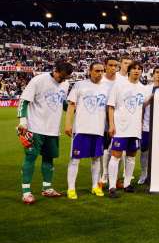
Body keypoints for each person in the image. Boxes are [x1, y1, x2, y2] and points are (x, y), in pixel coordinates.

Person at [16, 60, 73, 204]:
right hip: (35, 128)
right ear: (56, 70)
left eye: (66, 78)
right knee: (30, 158)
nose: (63, 80)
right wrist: (23, 122)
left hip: (52, 129)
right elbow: (23, 101)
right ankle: (26, 192)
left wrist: (76, 109)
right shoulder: (39, 80)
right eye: (61, 77)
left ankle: (47, 188)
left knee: (49, 158)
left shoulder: (65, 84)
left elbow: (63, 103)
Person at [63, 62, 108, 199]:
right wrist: (68, 124)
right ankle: (71, 188)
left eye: (101, 71)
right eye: (96, 71)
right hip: (81, 129)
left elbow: (109, 109)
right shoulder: (80, 85)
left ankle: (95, 186)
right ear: (90, 71)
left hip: (99, 129)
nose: (99, 73)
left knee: (96, 159)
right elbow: (71, 105)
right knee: (75, 159)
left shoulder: (107, 88)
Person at [107, 62, 148, 198]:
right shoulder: (119, 85)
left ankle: (127, 184)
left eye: (139, 69)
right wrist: (112, 125)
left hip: (135, 128)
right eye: (134, 69)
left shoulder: (143, 88)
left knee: (131, 157)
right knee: (115, 156)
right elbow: (111, 106)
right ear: (129, 71)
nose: (137, 71)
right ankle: (112, 186)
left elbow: (142, 107)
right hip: (121, 127)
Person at [138, 66, 159, 185]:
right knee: (144, 151)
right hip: (147, 126)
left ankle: (157, 175)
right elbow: (141, 107)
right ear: (153, 75)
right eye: (157, 72)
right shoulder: (146, 89)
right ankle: (144, 174)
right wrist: (140, 122)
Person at [100, 57, 122, 189]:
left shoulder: (121, 82)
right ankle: (104, 176)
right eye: (110, 65)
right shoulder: (100, 80)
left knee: (118, 151)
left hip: (116, 120)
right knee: (104, 150)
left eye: (115, 66)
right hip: (101, 120)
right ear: (105, 66)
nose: (113, 68)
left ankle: (115, 177)